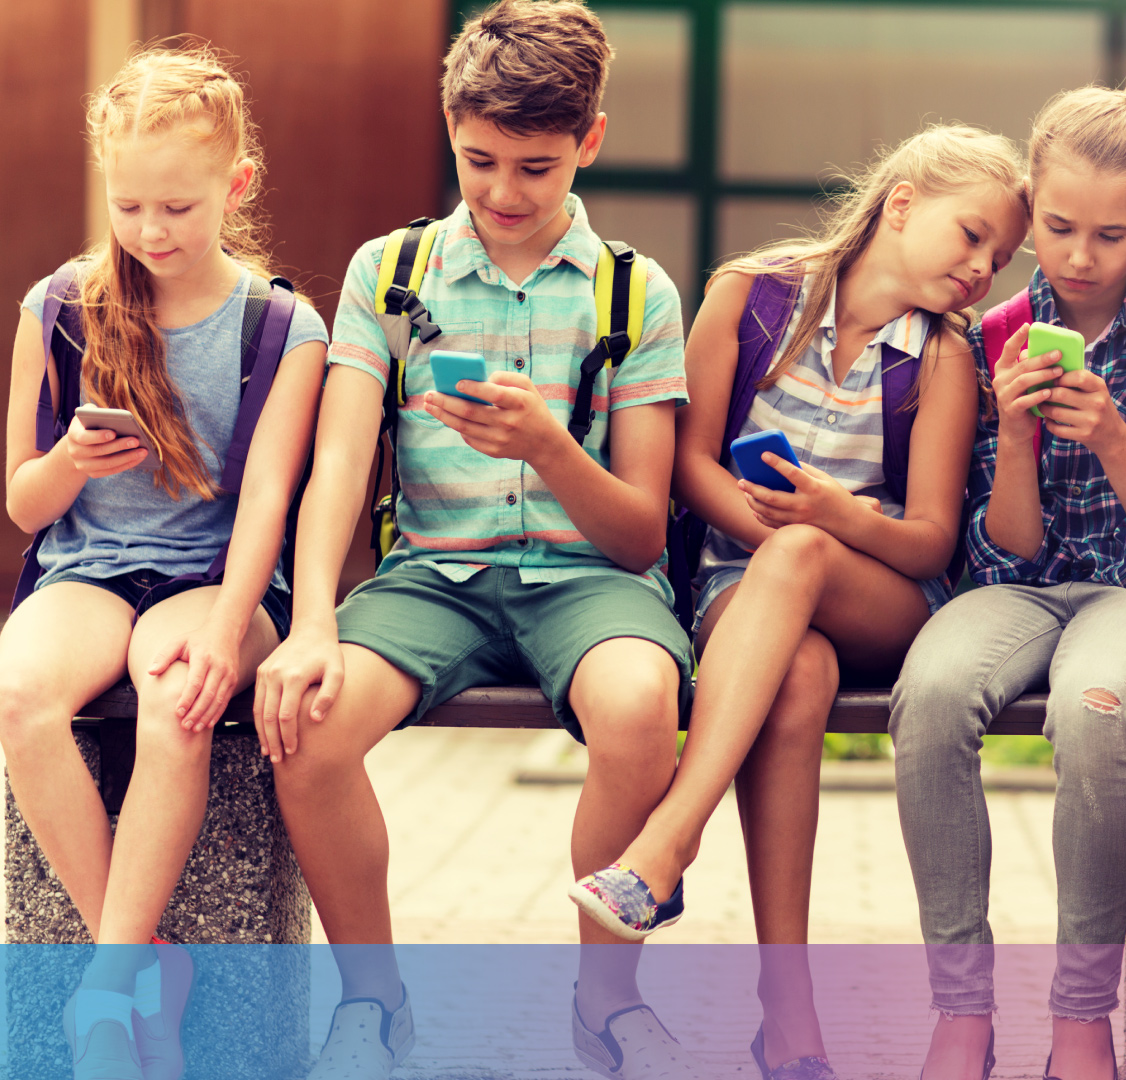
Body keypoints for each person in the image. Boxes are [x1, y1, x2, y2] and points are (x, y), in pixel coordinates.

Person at [248, 3, 706, 1078]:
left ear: (590, 141)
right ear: (449, 125)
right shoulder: (390, 276)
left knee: (641, 704)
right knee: (304, 729)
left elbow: (641, 532)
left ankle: (605, 1003)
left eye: (536, 168)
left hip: (590, 580)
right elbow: (340, 468)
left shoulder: (634, 293)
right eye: (478, 160)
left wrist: (550, 446)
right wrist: (312, 620)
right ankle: (374, 1003)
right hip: (430, 580)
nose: (502, 193)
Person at [567, 125, 1026, 1078]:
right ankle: (790, 1018)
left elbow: (931, 540)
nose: (984, 268)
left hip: (885, 599)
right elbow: (686, 465)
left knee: (807, 559)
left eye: (1000, 257)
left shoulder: (942, 360)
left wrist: (821, 524)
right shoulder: (749, 295)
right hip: (743, 596)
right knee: (798, 675)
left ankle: (666, 843)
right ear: (902, 204)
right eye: (972, 235)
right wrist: (780, 544)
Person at [889, 73, 1126, 1080]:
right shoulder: (986, 339)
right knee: (931, 695)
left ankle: (1080, 1019)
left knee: (1094, 707)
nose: (1080, 258)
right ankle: (962, 1012)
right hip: (1029, 588)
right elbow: (994, 559)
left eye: (1110, 235)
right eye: (1056, 228)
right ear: (1031, 208)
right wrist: (1011, 433)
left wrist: (1117, 442)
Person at [0, 44, 326, 1080]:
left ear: (237, 184)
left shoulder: (282, 326)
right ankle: (133, 961)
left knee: (176, 691)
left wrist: (231, 631)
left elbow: (268, 500)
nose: (151, 232)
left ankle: (105, 997)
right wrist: (67, 459)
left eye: (179, 209)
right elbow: (23, 504)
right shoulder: (59, 307)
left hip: (215, 582)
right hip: (91, 570)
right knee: (17, 693)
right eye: (131, 205)